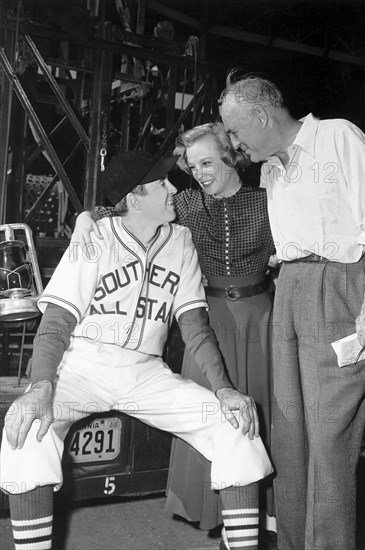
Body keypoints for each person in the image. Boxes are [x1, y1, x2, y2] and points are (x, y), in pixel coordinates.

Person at [0, 151, 273, 550]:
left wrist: (224, 388)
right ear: (134, 197)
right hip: (82, 367)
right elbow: (56, 322)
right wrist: (41, 385)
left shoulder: (180, 242)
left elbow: (196, 328)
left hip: (146, 372)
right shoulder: (95, 236)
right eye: (161, 184)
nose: (172, 190)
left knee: (234, 423)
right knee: (25, 432)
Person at [218, 71, 365, 550]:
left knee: (329, 441)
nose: (235, 144)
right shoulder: (270, 167)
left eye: (236, 132)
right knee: (291, 436)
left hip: (339, 286)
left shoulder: (338, 136)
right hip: (292, 289)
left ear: (261, 115)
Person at [72, 122, 277, 548]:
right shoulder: (183, 204)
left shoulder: (267, 201)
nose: (199, 172)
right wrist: (83, 218)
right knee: (209, 410)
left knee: (262, 410)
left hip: (262, 316)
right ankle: (212, 511)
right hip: (207, 314)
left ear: (231, 156)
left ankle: (264, 514)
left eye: (208, 162)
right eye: (192, 164)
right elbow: (121, 207)